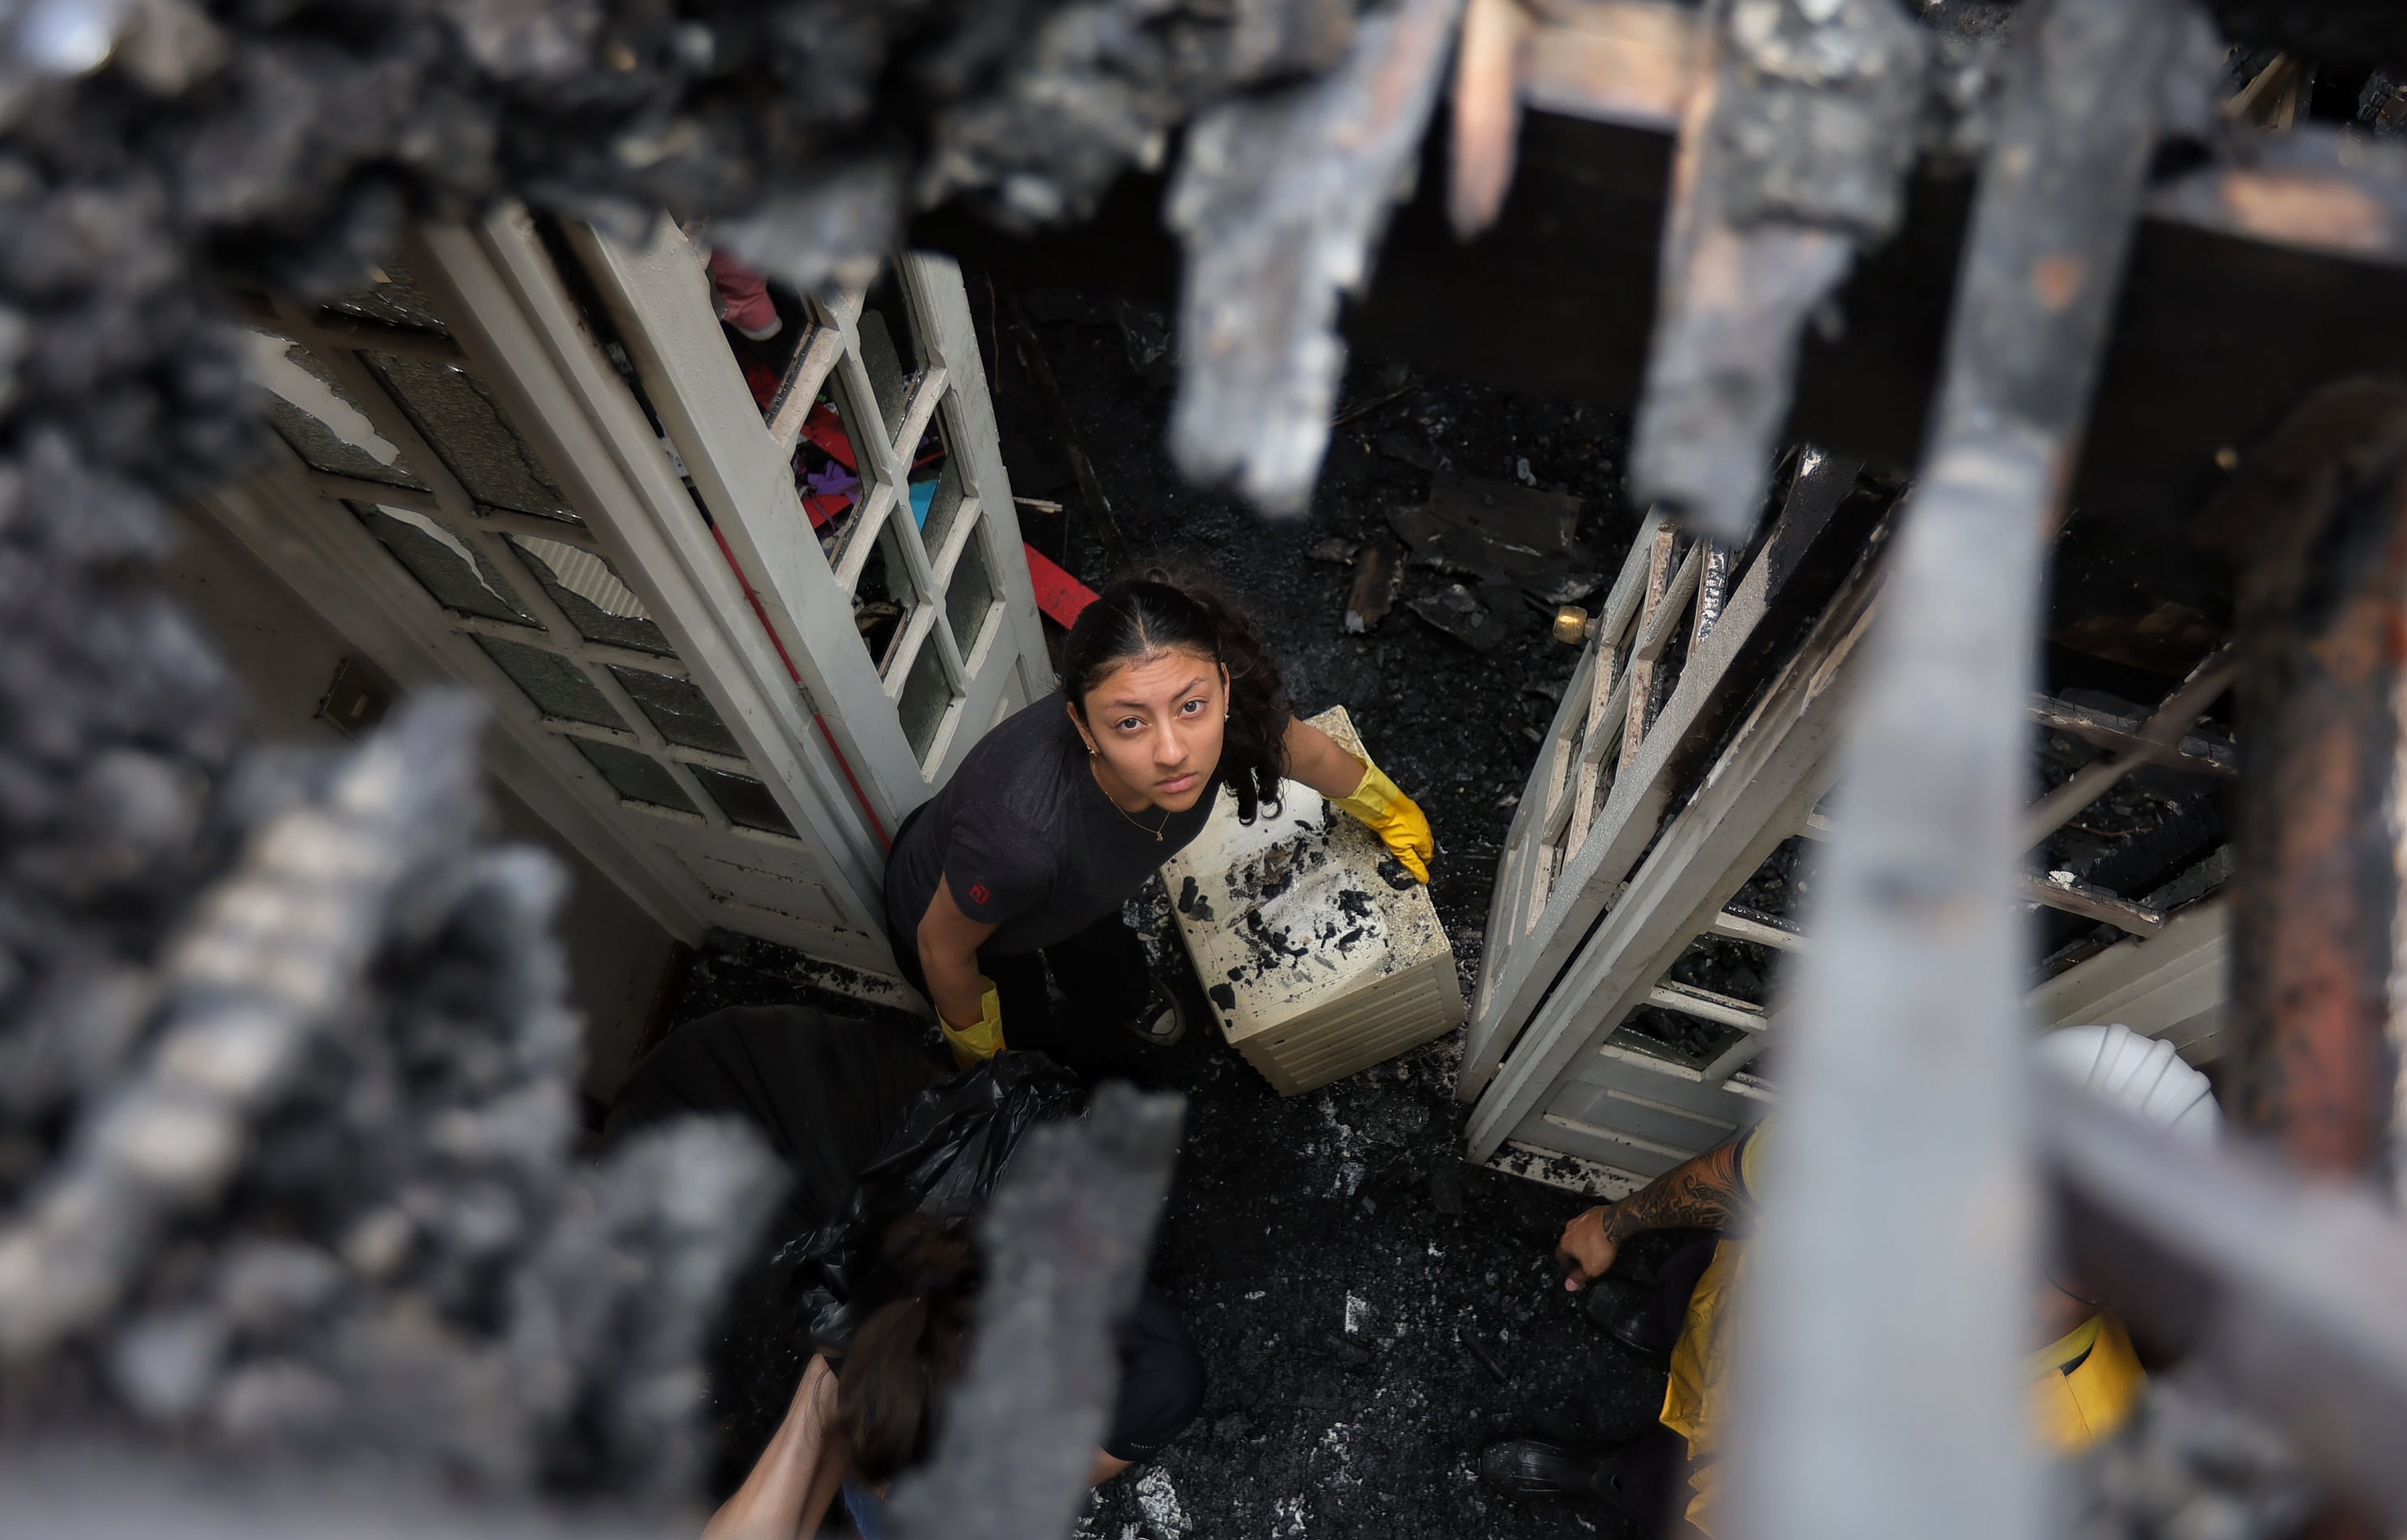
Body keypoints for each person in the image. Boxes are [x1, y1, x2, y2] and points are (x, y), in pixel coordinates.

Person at [1479, 1024, 2219, 1535]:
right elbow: (1737, 1176)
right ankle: (1661, 1335)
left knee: (1659, 1488)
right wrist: (1614, 1226)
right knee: (1689, 1311)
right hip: (1726, 1318)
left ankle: (1604, 1478)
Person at [606, 1005, 1204, 1539]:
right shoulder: (857, 1298)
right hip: (705, 1124)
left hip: (824, 1118)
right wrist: (825, 1399)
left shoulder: (1156, 1380)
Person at [882, 569, 1436, 1071]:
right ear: (1081, 723)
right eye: (1129, 723)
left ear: (1222, 687)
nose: (1173, 753)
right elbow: (942, 948)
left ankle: (1121, 999)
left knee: (1101, 953)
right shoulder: (1022, 839)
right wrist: (984, 1067)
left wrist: (1389, 809)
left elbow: (1311, 755)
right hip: (964, 923)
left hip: (1073, 894)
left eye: (1190, 706)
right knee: (1023, 1024)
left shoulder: (1233, 714)